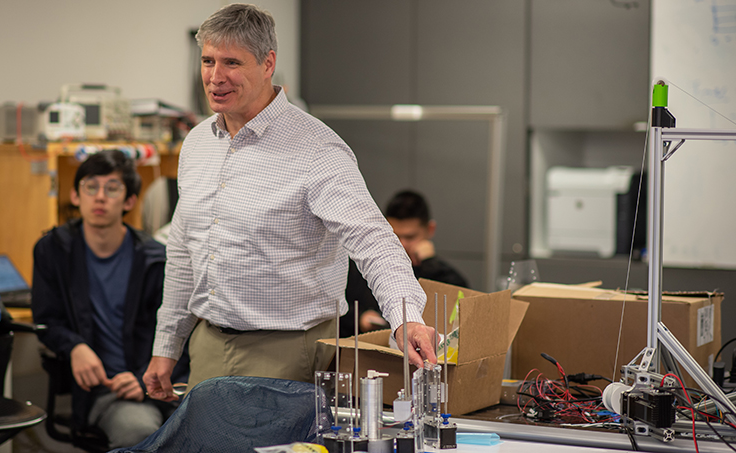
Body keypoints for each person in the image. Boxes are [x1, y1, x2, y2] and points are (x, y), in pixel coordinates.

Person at [143, 3, 437, 404]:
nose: (215, 77)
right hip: (208, 345)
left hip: (289, 351)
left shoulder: (317, 148)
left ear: (268, 64)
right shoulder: (196, 144)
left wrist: (407, 319)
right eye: (208, 60)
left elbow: (373, 241)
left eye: (232, 62)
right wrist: (167, 345)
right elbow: (182, 252)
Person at [31, 149, 187, 448]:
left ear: (129, 201)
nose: (99, 197)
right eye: (91, 187)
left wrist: (145, 378)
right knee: (140, 432)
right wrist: (75, 346)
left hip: (159, 381)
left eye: (112, 188)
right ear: (76, 195)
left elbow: (179, 330)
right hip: (105, 391)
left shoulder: (155, 259)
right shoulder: (53, 250)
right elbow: (47, 320)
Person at [342, 190, 470, 337]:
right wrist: (358, 318)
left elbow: (463, 305)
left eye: (410, 237)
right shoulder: (363, 265)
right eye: (395, 235)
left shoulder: (437, 270)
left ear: (430, 229)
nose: (401, 244)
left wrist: (430, 263)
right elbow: (334, 307)